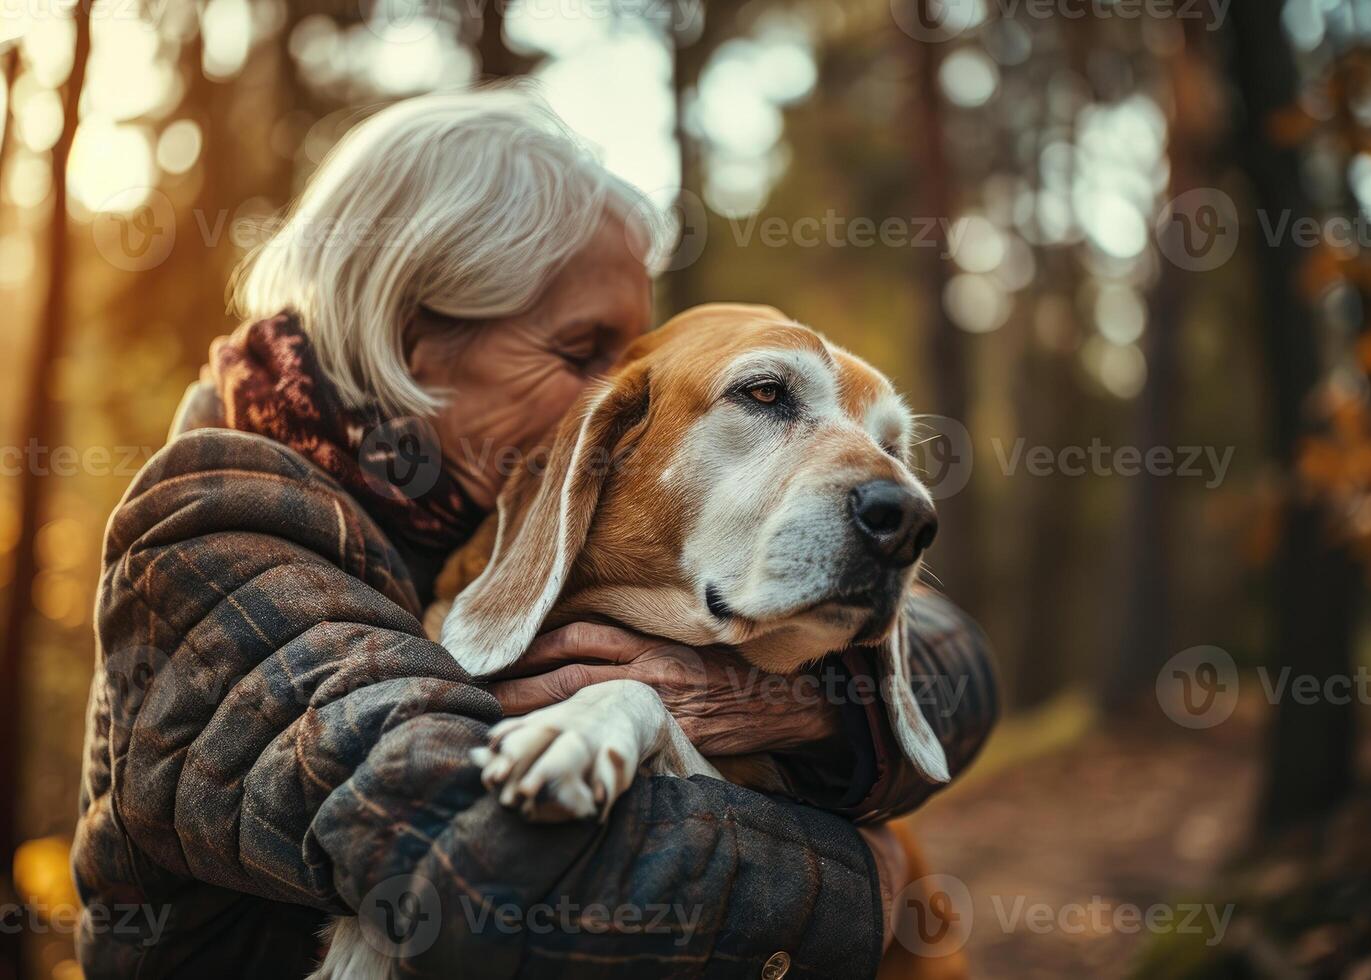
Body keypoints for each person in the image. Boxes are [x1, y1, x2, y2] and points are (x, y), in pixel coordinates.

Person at [72, 86, 997, 978]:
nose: (623, 395)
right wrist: (865, 885)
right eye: (585, 352)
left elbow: (959, 658)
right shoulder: (209, 531)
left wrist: (792, 703)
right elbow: (484, 876)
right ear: (412, 337)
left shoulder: (491, 516)